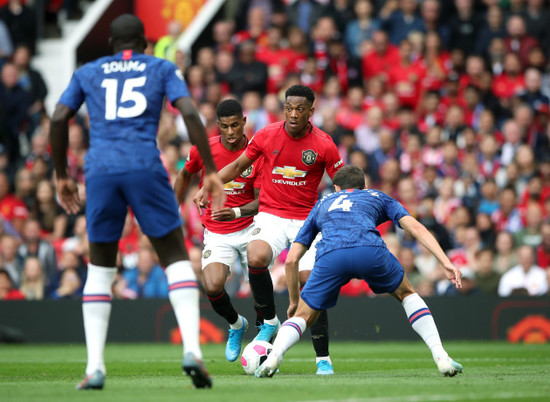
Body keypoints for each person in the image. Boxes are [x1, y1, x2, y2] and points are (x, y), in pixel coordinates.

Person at [49, 14, 224, 390]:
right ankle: (192, 349)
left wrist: (62, 174)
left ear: (110, 43)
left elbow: (60, 116)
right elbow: (190, 112)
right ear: (144, 43)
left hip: (100, 171)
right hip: (143, 165)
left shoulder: (88, 71)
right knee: (175, 256)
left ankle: (95, 367)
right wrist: (209, 169)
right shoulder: (160, 66)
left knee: (100, 268)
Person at [255, 165, 463, 378]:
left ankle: (274, 356)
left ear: (336, 188)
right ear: (364, 186)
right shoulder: (377, 195)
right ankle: (441, 356)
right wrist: (445, 261)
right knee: (407, 293)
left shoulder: (322, 204)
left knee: (303, 315)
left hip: (332, 256)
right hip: (370, 252)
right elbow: (416, 227)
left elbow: (291, 260)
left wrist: (293, 301)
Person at [196, 84, 344, 375]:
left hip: (305, 219)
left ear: (311, 111)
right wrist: (208, 186)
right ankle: (268, 322)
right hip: (271, 215)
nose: (293, 113)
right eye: (289, 107)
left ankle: (322, 357)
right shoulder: (266, 135)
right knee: (256, 256)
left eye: (300, 108)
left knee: (309, 281)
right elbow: (239, 165)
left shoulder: (324, 144)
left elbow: (341, 183)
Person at [174, 99, 262, 362]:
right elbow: (183, 176)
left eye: (236, 125)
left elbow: (262, 201)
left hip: (251, 228)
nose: (231, 132)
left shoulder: (257, 151)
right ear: (218, 126)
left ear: (244, 122)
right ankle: (236, 324)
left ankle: (262, 349)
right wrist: (170, 214)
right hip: (217, 230)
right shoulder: (204, 149)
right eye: (225, 127)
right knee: (212, 286)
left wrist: (236, 211)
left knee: (261, 298)